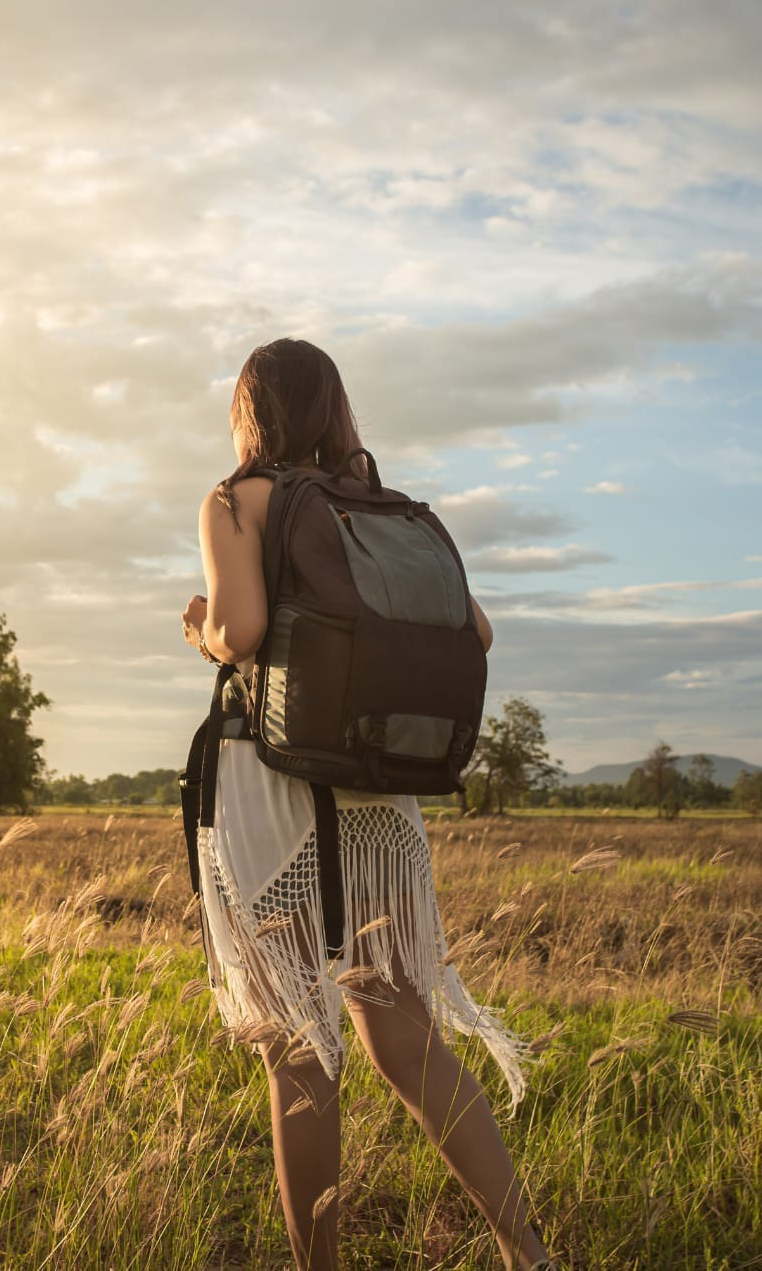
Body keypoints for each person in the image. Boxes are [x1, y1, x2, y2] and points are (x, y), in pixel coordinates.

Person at [180, 339, 557, 1271]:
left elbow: (244, 632)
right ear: (335, 411)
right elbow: (479, 629)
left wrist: (200, 631)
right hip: (378, 792)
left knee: (298, 1050)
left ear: (250, 411)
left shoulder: (237, 500)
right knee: (403, 1036)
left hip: (273, 781)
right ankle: (530, 1253)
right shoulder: (384, 509)